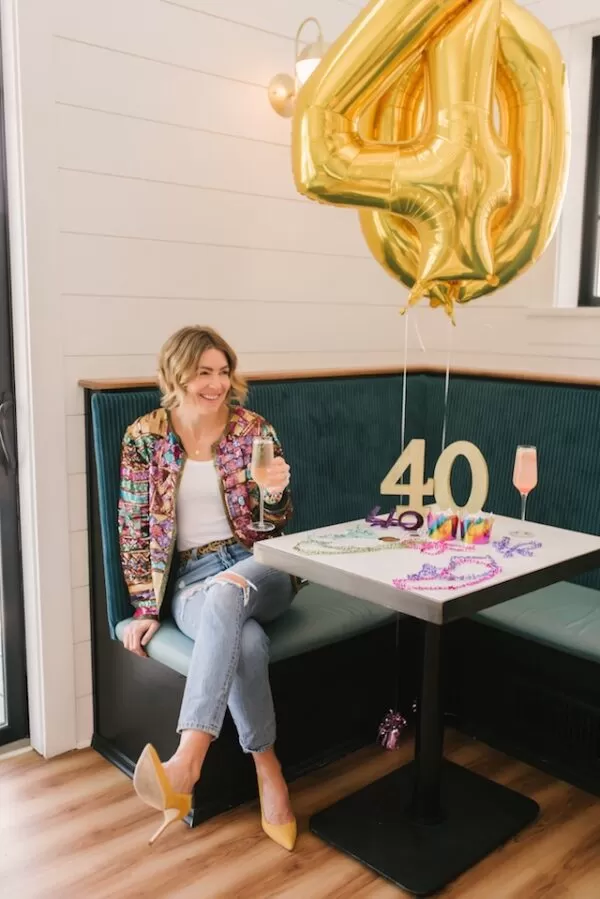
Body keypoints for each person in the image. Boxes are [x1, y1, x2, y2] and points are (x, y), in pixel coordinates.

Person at [118, 325, 297, 850]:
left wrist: (276, 494)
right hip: (192, 582)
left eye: (223, 372)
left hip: (260, 565)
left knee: (229, 591)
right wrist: (145, 608)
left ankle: (186, 760)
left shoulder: (252, 430)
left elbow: (275, 527)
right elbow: (133, 527)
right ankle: (269, 770)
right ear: (177, 374)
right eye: (204, 373)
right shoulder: (144, 439)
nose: (217, 384)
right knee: (244, 642)